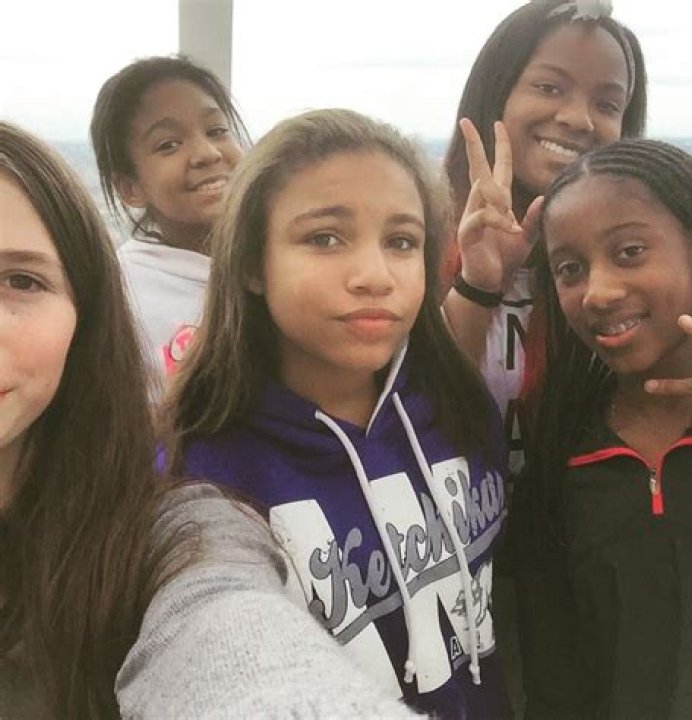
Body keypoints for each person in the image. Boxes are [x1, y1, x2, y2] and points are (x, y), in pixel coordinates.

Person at [0, 121, 424, 719]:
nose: (374, 276)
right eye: (325, 238)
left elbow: (224, 624)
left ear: (85, 318)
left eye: (20, 280)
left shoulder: (163, 532)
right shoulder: (205, 446)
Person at [162, 108, 512, 719]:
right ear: (251, 264)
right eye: (325, 238)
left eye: (401, 242)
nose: (375, 276)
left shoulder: (457, 404)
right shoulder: (199, 471)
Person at [512, 138, 692, 719]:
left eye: (629, 252)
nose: (598, 292)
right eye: (570, 269)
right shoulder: (563, 465)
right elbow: (554, 688)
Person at [442, 0, 647, 472]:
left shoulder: (635, 271)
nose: (579, 119)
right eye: (549, 87)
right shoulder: (411, 240)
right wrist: (478, 286)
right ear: (497, 91)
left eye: (607, 104)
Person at [90, 55, 250, 387]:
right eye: (169, 145)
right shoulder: (120, 296)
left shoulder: (278, 258)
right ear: (130, 188)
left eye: (217, 130)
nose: (207, 153)